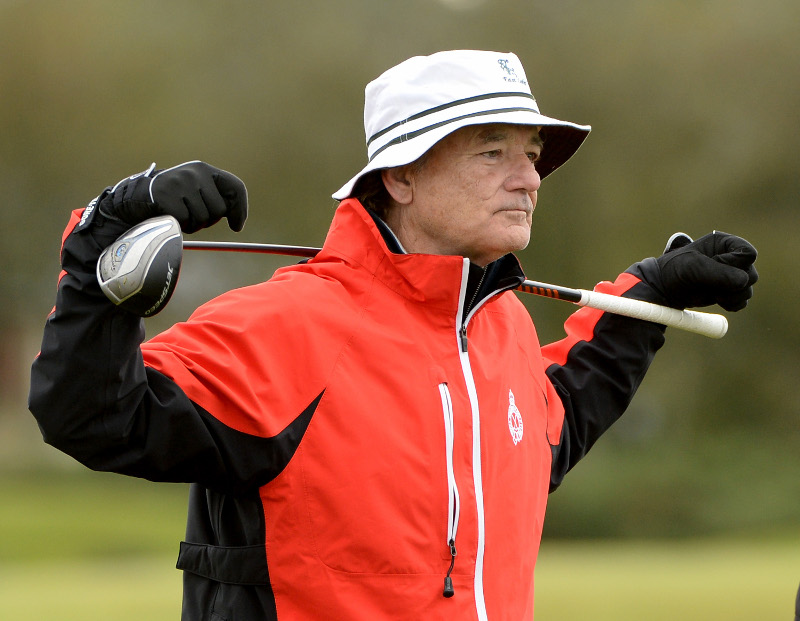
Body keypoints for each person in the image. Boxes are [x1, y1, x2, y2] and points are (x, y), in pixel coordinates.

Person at [29, 50, 757, 620]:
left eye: (533, 153)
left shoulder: (498, 323)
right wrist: (103, 246)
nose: (529, 177)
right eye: (492, 151)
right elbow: (90, 413)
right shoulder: (285, 328)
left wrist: (646, 298)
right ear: (401, 176)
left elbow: (549, 426)